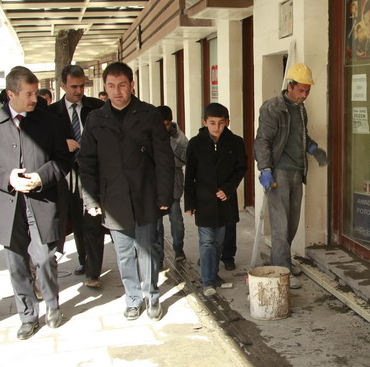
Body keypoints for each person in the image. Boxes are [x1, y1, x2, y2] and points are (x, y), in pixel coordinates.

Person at [0, 66, 72, 340]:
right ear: (11, 94)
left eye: (36, 93)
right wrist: (8, 178)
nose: (34, 99)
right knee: (16, 263)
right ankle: (27, 316)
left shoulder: (49, 122)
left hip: (42, 201)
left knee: (44, 257)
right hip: (8, 204)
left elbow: (63, 159)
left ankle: (52, 305)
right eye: (28, 94)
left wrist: (41, 177)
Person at [78, 62, 174, 321]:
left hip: (145, 194)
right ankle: (132, 298)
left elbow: (164, 158)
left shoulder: (149, 114)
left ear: (132, 85)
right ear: (105, 87)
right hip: (113, 198)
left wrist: (164, 195)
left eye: (122, 85)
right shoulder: (96, 119)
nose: (117, 91)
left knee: (147, 250)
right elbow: (87, 162)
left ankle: (152, 296)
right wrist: (91, 199)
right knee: (124, 254)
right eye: (111, 86)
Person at [253, 63, 329, 290]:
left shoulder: (300, 109)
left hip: (297, 171)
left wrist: (313, 149)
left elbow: (301, 136)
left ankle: (281, 261)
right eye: (301, 90)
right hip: (278, 172)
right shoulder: (273, 108)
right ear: (290, 86)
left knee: (292, 223)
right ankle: (282, 271)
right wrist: (265, 169)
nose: (304, 95)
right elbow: (262, 140)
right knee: (281, 226)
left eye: (307, 91)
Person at [45, 64, 106, 288]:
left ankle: (93, 272)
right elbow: (43, 143)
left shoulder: (97, 107)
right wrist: (63, 143)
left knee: (93, 222)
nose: (79, 91)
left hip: (93, 173)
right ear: (63, 86)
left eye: (81, 86)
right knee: (75, 222)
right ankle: (82, 259)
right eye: (73, 87)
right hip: (66, 176)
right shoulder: (51, 113)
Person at [185, 103, 247, 296]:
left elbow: (241, 168)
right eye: (212, 123)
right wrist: (190, 202)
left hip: (225, 200)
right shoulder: (195, 144)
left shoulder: (236, 142)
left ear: (227, 122)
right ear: (204, 122)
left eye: (221, 123)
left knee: (219, 241)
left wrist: (228, 188)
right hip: (203, 200)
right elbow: (190, 175)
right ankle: (208, 281)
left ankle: (213, 274)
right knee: (207, 241)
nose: (217, 127)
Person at [154, 105, 188, 263]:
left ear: (171, 122)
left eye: (167, 124)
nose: (164, 128)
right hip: (155, 185)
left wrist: (170, 144)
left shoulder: (179, 137)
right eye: (160, 124)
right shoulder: (149, 134)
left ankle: (178, 248)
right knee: (156, 224)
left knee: (176, 221)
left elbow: (185, 158)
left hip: (173, 184)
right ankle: (158, 255)